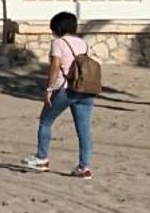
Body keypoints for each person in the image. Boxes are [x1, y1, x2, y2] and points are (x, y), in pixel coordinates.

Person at [24, 11, 96, 178]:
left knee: (45, 121)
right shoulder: (84, 44)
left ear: (57, 27)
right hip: (86, 90)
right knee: (84, 130)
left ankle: (42, 158)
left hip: (64, 89)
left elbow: (55, 67)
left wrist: (49, 89)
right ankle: (84, 167)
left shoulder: (58, 43)